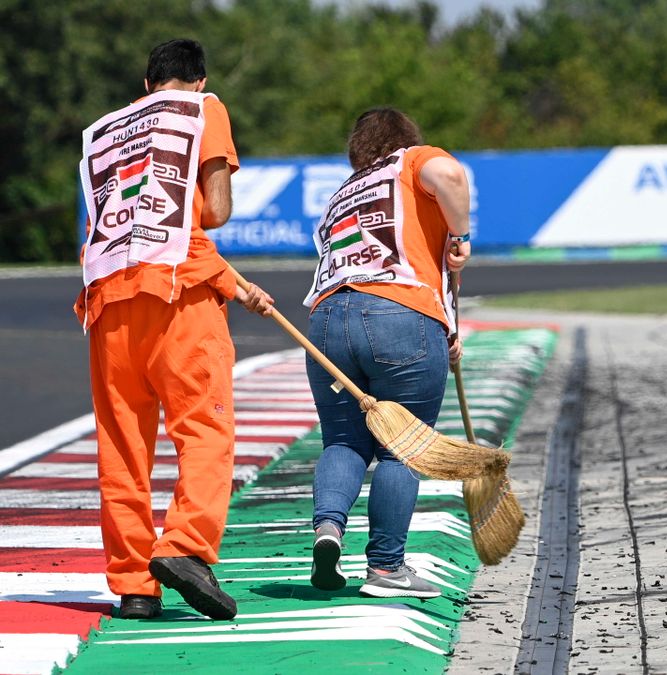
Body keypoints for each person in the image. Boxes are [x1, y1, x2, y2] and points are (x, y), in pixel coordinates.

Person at [75, 38, 274, 621]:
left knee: (122, 448)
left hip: (107, 301)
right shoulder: (203, 108)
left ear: (145, 86)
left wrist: (230, 280)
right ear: (199, 79)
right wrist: (226, 279)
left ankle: (136, 584)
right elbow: (211, 212)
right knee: (204, 430)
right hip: (177, 296)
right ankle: (185, 548)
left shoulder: (107, 130)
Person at [303, 107, 471, 598]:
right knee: (402, 448)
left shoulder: (341, 194)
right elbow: (450, 174)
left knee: (343, 441)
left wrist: (446, 325)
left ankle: (328, 529)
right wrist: (460, 235)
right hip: (399, 315)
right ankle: (385, 567)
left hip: (328, 320)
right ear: (404, 139)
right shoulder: (412, 161)